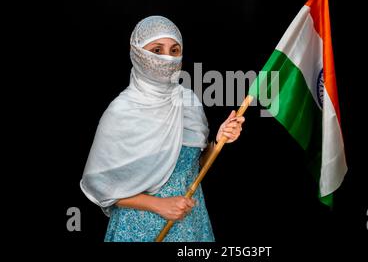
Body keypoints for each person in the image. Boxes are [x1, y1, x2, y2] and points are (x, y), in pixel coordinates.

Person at [80, 15, 245, 242]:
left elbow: (193, 169)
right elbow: (101, 186)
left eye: (174, 50)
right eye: (157, 50)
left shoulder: (189, 102)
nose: (167, 58)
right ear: (136, 52)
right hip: (139, 228)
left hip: (190, 224)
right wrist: (159, 205)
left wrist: (219, 140)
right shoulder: (122, 111)